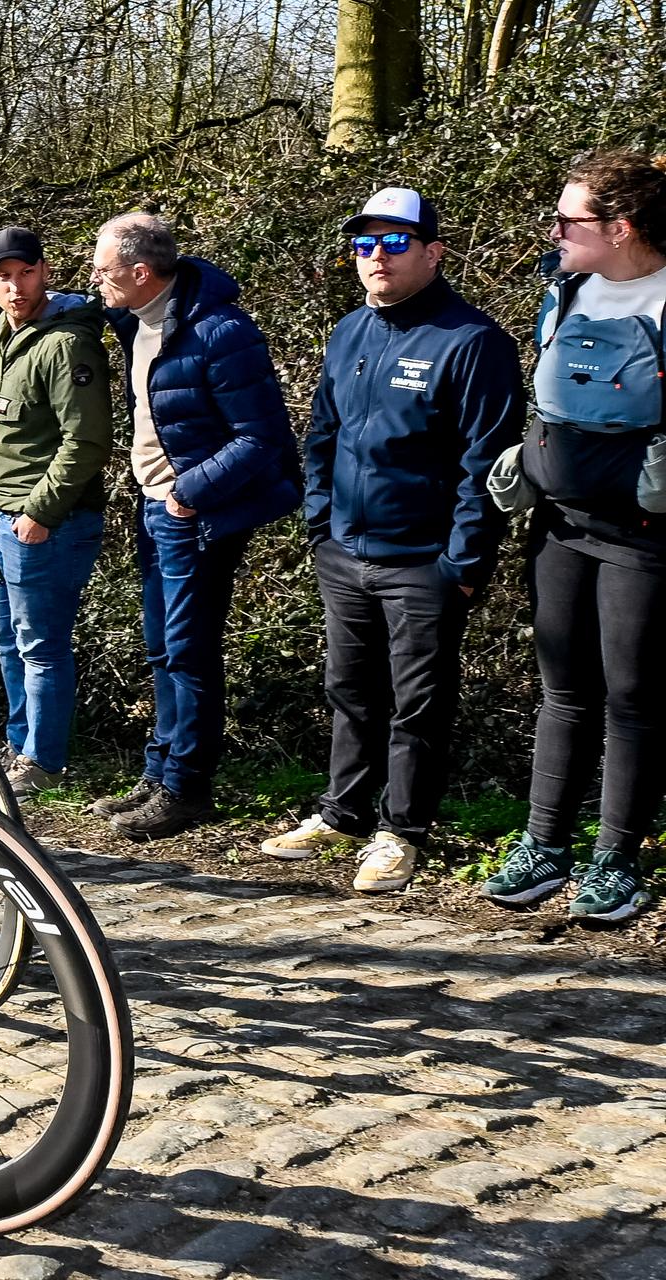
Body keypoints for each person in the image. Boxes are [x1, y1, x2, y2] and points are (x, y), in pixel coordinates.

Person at [264, 188, 522, 893]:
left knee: (417, 703)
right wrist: (321, 527)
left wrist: (461, 564)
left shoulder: (474, 343)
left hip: (424, 562)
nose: (376, 257)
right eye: (363, 245)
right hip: (344, 553)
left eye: (395, 242)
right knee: (349, 688)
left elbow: (487, 465)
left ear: (434, 251)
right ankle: (341, 814)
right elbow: (323, 435)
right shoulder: (349, 331)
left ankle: (399, 831)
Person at [480, 151, 666, 923]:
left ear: (620, 228)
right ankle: (543, 846)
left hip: (642, 536)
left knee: (631, 697)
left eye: (569, 220)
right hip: (560, 525)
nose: (553, 231)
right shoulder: (566, 292)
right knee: (563, 693)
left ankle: (616, 861)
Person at [88, 212, 301, 839]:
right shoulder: (136, 318)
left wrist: (189, 491)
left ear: (141, 272)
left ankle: (186, 788)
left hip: (193, 514)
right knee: (161, 644)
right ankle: (158, 773)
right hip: (153, 508)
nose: (95, 280)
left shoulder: (220, 333)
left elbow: (262, 439)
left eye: (103, 270)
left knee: (190, 649)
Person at [0, 227, 113, 796]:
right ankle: (19, 742)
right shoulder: (6, 336)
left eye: (25, 273)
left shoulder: (66, 343)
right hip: (0, 516)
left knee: (41, 643)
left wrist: (40, 512)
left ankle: (42, 760)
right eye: (3, 276)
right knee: (5, 635)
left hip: (46, 524)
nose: (15, 286)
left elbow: (86, 440)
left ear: (45, 271)